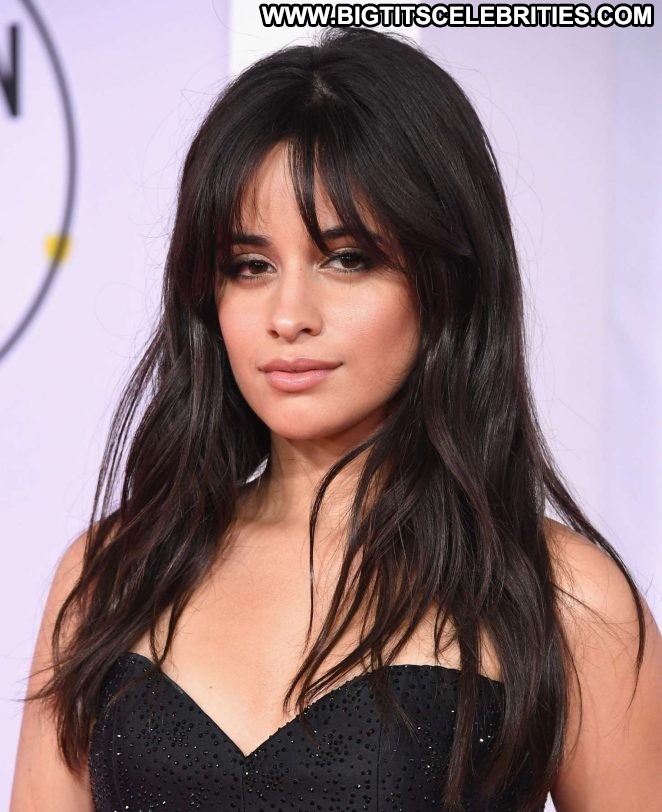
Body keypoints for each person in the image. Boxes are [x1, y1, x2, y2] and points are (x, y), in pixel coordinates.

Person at [10, 26, 662, 812]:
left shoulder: (563, 598)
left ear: (447, 282)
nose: (289, 315)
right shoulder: (113, 572)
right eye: (250, 266)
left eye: (348, 259)